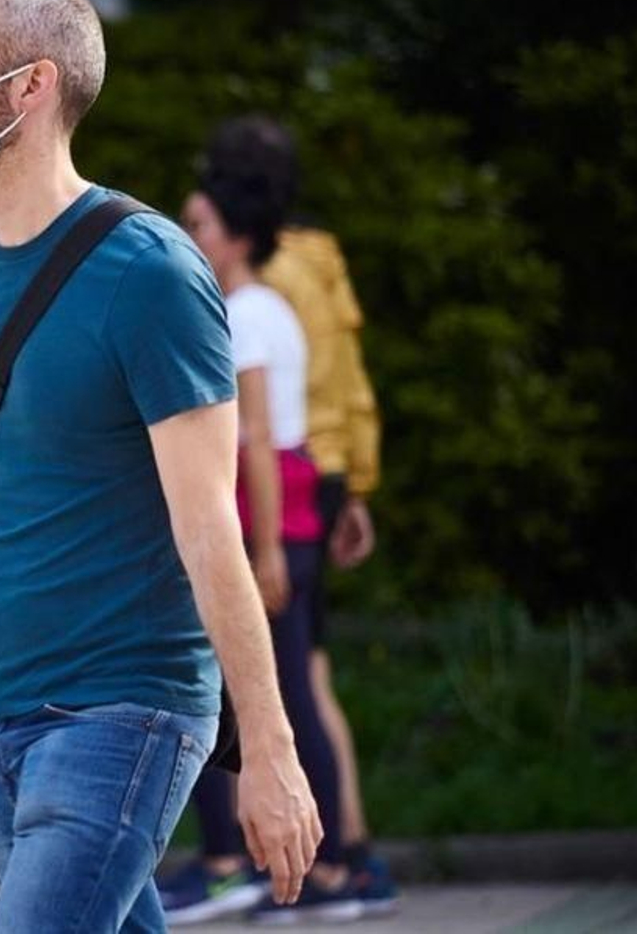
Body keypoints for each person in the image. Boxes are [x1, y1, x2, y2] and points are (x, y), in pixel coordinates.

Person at [0, 0, 321, 934]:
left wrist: (271, 747)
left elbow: (210, 525)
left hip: (126, 711)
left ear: (31, 85)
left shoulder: (150, 271)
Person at [163, 164, 363, 924]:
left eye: (201, 225)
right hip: (291, 516)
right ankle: (319, 864)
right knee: (292, 691)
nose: (190, 237)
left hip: (264, 523)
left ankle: (268, 864)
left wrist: (268, 547)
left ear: (239, 237)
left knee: (257, 695)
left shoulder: (242, 314)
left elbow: (256, 437)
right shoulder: (273, 307)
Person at [212, 115, 396, 914]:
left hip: (276, 480)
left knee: (291, 677)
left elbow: (262, 408)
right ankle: (347, 848)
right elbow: (346, 378)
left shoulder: (260, 278)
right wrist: (354, 481)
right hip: (318, 471)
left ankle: (327, 856)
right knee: (305, 673)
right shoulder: (322, 260)